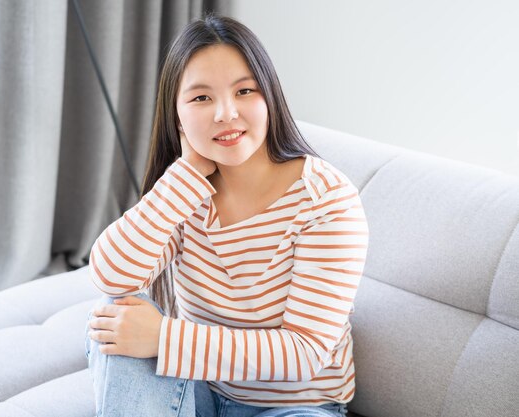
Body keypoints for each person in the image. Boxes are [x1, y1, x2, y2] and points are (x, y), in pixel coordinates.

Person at [85, 14, 368, 417]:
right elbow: (110, 276)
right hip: (194, 390)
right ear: (176, 115)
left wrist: (164, 338)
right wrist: (184, 176)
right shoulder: (185, 194)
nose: (225, 113)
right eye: (201, 97)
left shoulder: (326, 200)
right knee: (114, 313)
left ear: (269, 96)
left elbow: (305, 352)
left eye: (244, 91)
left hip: (296, 408)